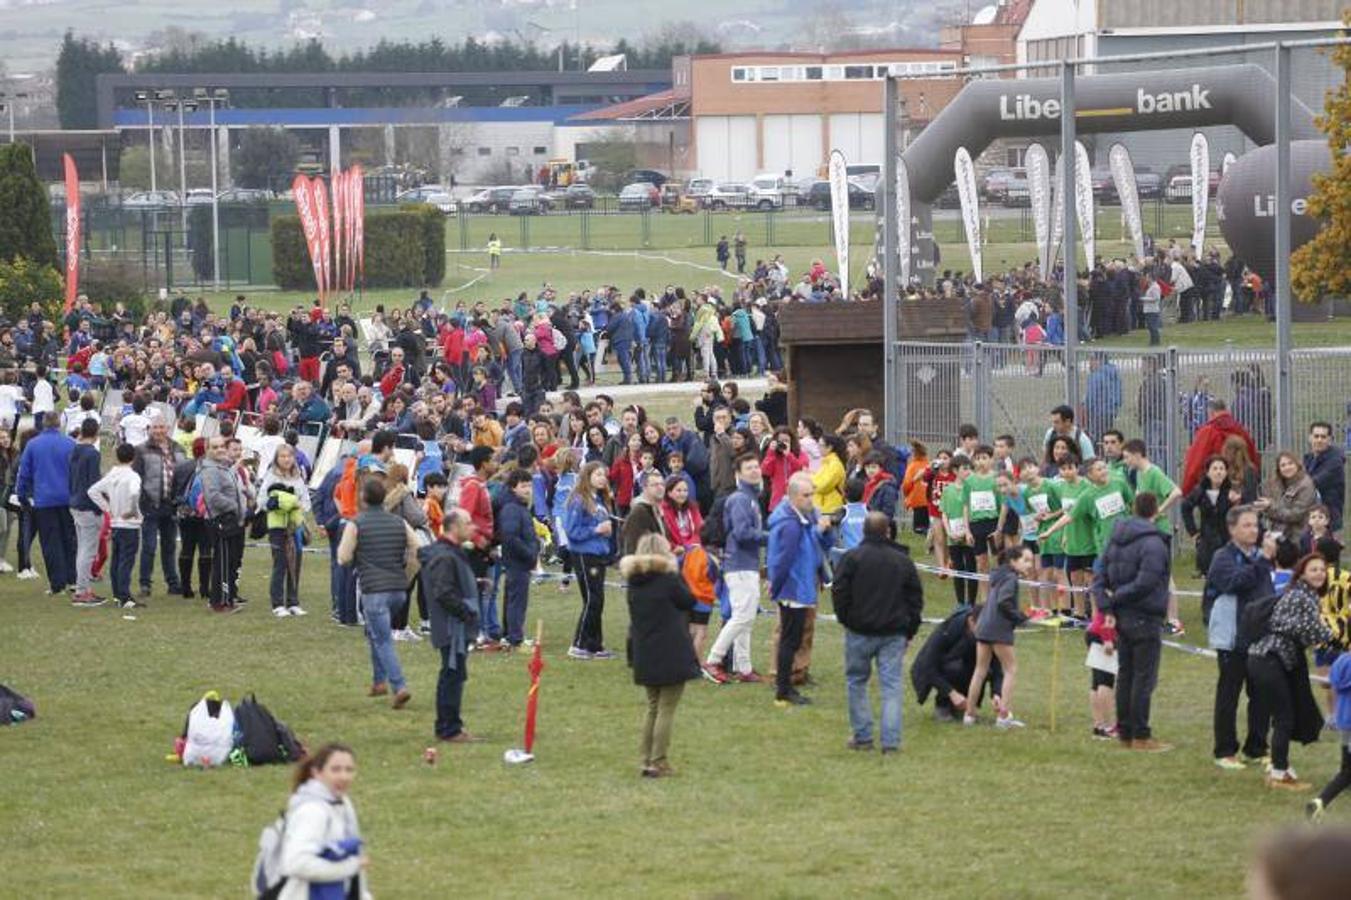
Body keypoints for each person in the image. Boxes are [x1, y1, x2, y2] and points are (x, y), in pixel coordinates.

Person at [831, 511, 924, 751]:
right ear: (887, 531)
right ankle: (891, 742)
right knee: (891, 686)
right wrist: (910, 629)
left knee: (856, 682)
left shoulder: (852, 558)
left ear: (863, 531)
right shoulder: (902, 561)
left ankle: (862, 736)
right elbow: (915, 599)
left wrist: (846, 619)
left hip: (859, 630)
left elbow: (839, 592)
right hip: (893, 632)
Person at [1248, 552, 1335, 790]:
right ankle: (1278, 774)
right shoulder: (1301, 597)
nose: (1318, 573)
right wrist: (1337, 638)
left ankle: (1281, 767)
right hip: (1270, 660)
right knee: (1284, 717)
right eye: (1313, 569)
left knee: (1283, 716)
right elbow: (1312, 631)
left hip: (1268, 659)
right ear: (1302, 573)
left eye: (1321, 569)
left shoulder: (1301, 594)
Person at [1094, 493, 1173, 751]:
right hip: (1144, 614)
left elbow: (1099, 576)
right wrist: (1117, 598)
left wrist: (1108, 604)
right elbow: (1147, 581)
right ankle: (1140, 734)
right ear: (1155, 512)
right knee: (1143, 678)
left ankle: (1125, 731)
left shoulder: (1115, 539)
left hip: (1120, 617)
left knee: (1126, 674)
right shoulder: (1154, 544)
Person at [1205, 506, 1276, 771]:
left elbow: (1267, 591)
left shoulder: (1260, 556)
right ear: (1232, 529)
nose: (1253, 530)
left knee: (1261, 695)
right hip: (1232, 637)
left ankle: (1256, 747)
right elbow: (1235, 583)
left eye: (1255, 525)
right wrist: (1262, 562)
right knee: (1229, 695)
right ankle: (1224, 750)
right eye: (1246, 525)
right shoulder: (1222, 557)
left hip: (1260, 638)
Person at [623, 533, 700, 778]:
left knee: (653, 706)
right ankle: (659, 760)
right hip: (671, 649)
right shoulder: (669, 580)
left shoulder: (634, 583)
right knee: (666, 707)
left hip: (645, 650)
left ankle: (646, 759)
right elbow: (689, 600)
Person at [338, 479, 419, 708]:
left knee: (383, 639)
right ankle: (378, 682)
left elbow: (343, 557)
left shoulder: (357, 523)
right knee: (374, 632)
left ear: (363, 498)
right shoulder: (399, 522)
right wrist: (406, 576)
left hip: (374, 590)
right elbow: (417, 550)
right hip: (398, 590)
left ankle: (399, 686)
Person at [767, 472, 833, 708]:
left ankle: (786, 687)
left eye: (812, 494)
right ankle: (784, 690)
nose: (811, 500)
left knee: (792, 639)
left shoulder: (800, 519)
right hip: (793, 588)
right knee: (790, 639)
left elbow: (811, 546)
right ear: (793, 497)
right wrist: (777, 586)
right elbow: (782, 560)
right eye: (806, 495)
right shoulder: (790, 525)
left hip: (799, 585)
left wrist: (822, 531)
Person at [702, 453, 769, 685]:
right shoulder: (741, 499)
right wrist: (771, 537)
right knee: (742, 616)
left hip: (746, 564)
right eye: (749, 468)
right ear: (738, 474)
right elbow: (741, 533)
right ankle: (713, 660)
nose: (755, 471)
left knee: (747, 616)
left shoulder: (750, 498)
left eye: (756, 467)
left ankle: (744, 667)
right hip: (739, 564)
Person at [276, 744, 371, 900]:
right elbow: (297, 863)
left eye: (349, 770)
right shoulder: (313, 811)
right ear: (317, 773)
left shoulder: (342, 804)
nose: (344, 776)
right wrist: (350, 867)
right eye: (336, 769)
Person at [418, 508, 481, 743]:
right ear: (454, 527)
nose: (473, 527)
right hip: (451, 626)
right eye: (468, 523)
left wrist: (475, 585)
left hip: (455, 624)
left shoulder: (452, 552)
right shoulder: (444, 555)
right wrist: (465, 611)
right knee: (452, 674)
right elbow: (443, 591)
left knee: (455, 674)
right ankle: (448, 728)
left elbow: (451, 584)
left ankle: (451, 725)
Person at [964, 545, 1035, 728]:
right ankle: (1004, 716)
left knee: (980, 671)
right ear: (1013, 561)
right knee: (1011, 669)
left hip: (984, 626)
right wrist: (1022, 618)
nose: (1030, 565)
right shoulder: (1010, 578)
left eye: (1031, 561)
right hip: (998, 628)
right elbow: (1004, 602)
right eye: (1026, 560)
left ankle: (969, 715)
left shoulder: (1000, 575)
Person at [16, 416, 77, 596]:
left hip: (44, 500)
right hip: (67, 498)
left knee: (51, 542)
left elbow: (24, 472)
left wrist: (22, 494)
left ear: (43, 424)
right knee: (70, 539)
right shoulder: (70, 443)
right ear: (59, 424)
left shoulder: (33, 445)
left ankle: (57, 584)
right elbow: (75, 470)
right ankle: (73, 578)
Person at [911, 604, 1003, 723]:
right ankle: (943, 706)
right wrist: (952, 693)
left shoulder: (987, 635)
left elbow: (997, 667)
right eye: (982, 627)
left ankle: (967, 708)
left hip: (966, 666)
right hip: (940, 669)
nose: (985, 632)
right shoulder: (947, 630)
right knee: (954, 667)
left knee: (985, 670)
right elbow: (928, 666)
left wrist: (996, 693)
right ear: (971, 620)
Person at [563, 461, 617, 660]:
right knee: (592, 599)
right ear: (587, 477)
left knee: (597, 600)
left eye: (604, 475)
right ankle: (578, 643)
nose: (602, 478)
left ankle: (595, 644)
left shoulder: (600, 501)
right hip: (584, 555)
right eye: (597, 474)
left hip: (598, 554)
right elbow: (572, 531)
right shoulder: (579, 501)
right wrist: (596, 530)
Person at [132, 420, 186, 598]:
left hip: (171, 505)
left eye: (161, 427)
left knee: (169, 546)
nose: (158, 430)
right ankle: (145, 584)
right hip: (150, 505)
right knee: (149, 546)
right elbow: (136, 478)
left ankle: (173, 583)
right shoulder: (141, 450)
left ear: (168, 428)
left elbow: (184, 474)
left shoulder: (178, 448)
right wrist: (141, 501)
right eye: (155, 427)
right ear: (149, 429)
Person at [86, 443, 142, 610]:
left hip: (115, 522)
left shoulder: (112, 475)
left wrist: (108, 508)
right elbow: (134, 492)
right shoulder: (133, 476)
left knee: (116, 560)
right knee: (126, 561)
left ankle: (118, 594)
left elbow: (92, 491)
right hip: (129, 524)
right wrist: (132, 510)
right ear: (133, 458)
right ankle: (125, 597)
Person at [259, 444, 311, 617]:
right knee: (280, 563)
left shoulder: (298, 477)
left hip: (294, 526)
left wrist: (297, 506)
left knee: (295, 563)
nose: (286, 459)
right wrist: (277, 504)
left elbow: (306, 500)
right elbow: (262, 501)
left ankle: (293, 602)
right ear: (277, 458)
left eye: (289, 456)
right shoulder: (271, 476)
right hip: (277, 526)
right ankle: (277, 603)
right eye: (282, 456)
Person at [498, 469, 540, 650]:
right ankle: (515, 637)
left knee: (513, 598)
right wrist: (529, 554)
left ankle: (509, 634)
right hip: (517, 562)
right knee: (517, 600)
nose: (527, 489)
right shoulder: (512, 508)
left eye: (529, 485)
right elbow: (510, 536)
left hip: (520, 561)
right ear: (513, 488)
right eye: (523, 486)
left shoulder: (520, 507)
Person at [1181, 398, 1259, 494]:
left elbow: (1195, 464)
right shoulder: (1242, 431)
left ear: (1211, 413)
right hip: (1241, 487)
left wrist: (1187, 490)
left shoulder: (1208, 432)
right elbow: (1253, 459)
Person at [1309, 649, 1351, 820]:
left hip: (1344, 721)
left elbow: (1332, 685)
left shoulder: (1341, 660)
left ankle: (1320, 802)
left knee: (1347, 771)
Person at [68, 418, 104, 605]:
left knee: (83, 548)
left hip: (75, 502)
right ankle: (82, 591)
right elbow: (94, 484)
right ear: (96, 432)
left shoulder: (75, 449)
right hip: (88, 506)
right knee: (88, 551)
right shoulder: (92, 454)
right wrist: (101, 507)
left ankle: (83, 587)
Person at [1182, 456, 1236, 577]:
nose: (1218, 472)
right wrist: (1193, 532)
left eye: (1222, 469)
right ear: (1208, 472)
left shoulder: (1231, 492)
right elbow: (1185, 507)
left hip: (1226, 540)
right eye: (1215, 469)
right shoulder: (1200, 491)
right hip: (1206, 541)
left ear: (1226, 472)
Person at [1257, 452, 1318, 540]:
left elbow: (1295, 515)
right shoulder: (1276, 484)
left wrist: (1270, 507)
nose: (1287, 467)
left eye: (1290, 463)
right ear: (1279, 469)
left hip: (1297, 535)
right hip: (1277, 532)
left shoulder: (1306, 485)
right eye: (1283, 465)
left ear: (1297, 465)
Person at [1304, 421, 1345, 534]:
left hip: (1329, 522)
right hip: (1311, 519)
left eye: (1323, 437)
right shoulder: (1308, 459)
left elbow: (1313, 482)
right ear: (1310, 438)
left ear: (1330, 439)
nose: (1319, 440)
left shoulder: (1335, 461)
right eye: (1316, 436)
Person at [620, 469, 667, 556]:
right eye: (655, 485)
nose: (660, 488)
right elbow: (633, 545)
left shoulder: (658, 510)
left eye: (662, 484)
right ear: (645, 488)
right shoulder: (639, 511)